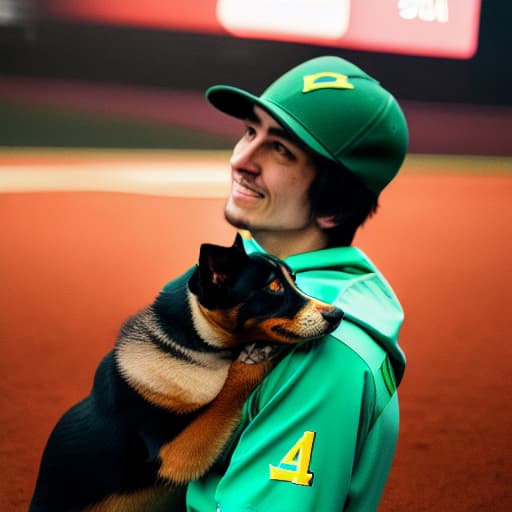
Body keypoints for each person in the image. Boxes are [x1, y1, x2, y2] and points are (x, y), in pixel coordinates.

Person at [184, 55, 409, 511]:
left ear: (334, 207)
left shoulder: (319, 350)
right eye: (251, 132)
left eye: (280, 150)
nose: (242, 160)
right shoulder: (268, 280)